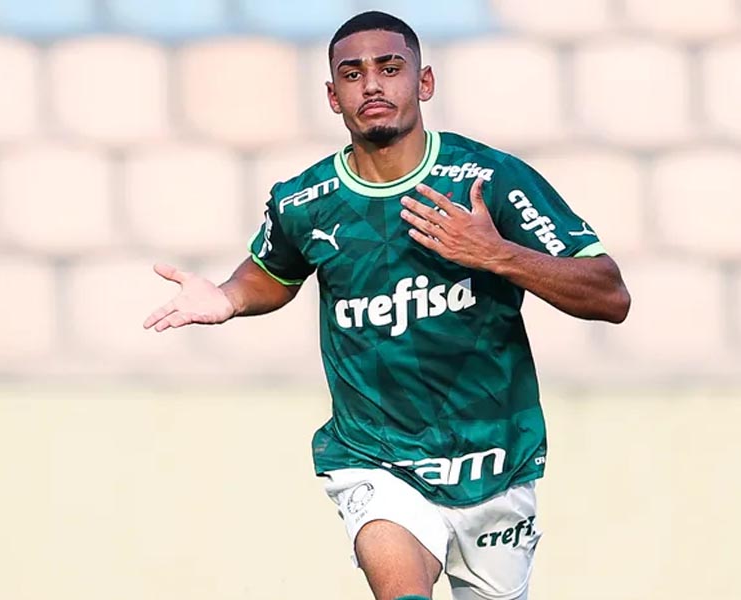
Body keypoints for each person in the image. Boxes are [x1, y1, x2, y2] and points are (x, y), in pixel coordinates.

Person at [143, 11, 630, 600]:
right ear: (332, 95)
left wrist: (497, 255)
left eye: (390, 68)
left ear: (424, 83)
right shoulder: (303, 201)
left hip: (496, 461)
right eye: (352, 73)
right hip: (376, 457)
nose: (372, 85)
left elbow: (609, 293)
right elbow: (274, 272)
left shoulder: (491, 181)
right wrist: (227, 296)